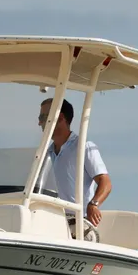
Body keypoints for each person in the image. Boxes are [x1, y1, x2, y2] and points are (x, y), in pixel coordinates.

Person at [38, 97, 112, 226]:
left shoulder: (84, 146)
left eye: (43, 117)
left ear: (60, 118)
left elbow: (105, 182)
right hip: (52, 223)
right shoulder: (45, 154)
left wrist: (94, 204)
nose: (39, 123)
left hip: (77, 225)